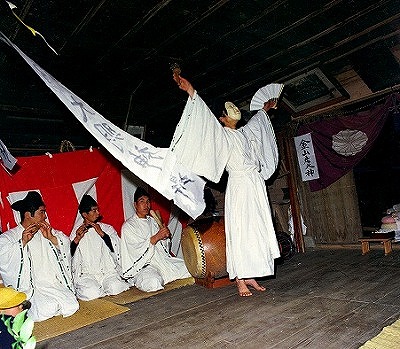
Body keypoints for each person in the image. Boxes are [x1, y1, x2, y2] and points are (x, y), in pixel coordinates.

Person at [170, 75, 281, 297]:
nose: (234, 114)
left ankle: (250, 274)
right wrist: (191, 91)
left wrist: (265, 109)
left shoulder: (244, 133)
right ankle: (239, 278)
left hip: (254, 185)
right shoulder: (220, 135)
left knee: (255, 229)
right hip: (239, 186)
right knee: (240, 230)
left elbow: (258, 122)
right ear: (222, 119)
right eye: (227, 113)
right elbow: (204, 118)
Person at [0, 191, 79, 321]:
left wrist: (52, 238)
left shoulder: (46, 231)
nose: (45, 216)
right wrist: (22, 242)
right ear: (28, 215)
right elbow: (3, 255)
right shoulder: (10, 236)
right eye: (41, 212)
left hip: (50, 283)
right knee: (47, 309)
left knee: (72, 305)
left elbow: (64, 242)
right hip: (31, 288)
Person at [120, 187, 191, 292]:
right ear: (135, 205)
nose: (146, 205)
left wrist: (165, 237)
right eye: (142, 201)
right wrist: (156, 237)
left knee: (190, 268)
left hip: (162, 261)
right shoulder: (129, 226)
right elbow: (134, 251)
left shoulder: (153, 221)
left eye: (148, 201)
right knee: (153, 282)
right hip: (145, 266)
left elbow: (163, 248)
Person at [69, 195, 130, 300]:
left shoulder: (107, 228)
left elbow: (116, 248)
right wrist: (77, 239)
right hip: (87, 274)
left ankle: (105, 287)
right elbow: (69, 255)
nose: (98, 213)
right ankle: (97, 289)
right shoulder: (77, 231)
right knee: (92, 293)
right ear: (84, 214)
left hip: (107, 272)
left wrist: (102, 234)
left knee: (115, 288)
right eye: (94, 211)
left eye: (97, 210)